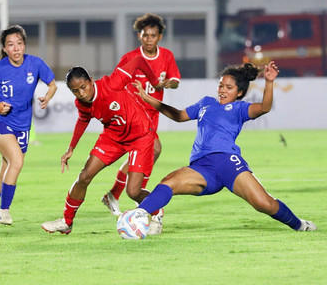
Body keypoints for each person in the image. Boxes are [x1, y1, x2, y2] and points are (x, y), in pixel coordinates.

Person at [133, 61, 317, 232]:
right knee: (168, 182)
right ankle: (138, 215)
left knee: (264, 204)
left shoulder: (239, 109)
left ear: (239, 93)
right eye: (221, 85)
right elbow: (179, 116)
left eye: (229, 88)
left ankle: (300, 225)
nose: (222, 90)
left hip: (228, 163)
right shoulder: (206, 103)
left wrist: (269, 83)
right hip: (201, 167)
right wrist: (147, 98)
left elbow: (264, 108)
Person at [41, 56, 170, 235]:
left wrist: (155, 82)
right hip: (113, 136)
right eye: (75, 91)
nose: (82, 94)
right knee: (84, 176)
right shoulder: (82, 103)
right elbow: (83, 120)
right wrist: (71, 148)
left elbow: (139, 61)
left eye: (83, 87)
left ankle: (157, 213)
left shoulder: (113, 83)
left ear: (91, 81)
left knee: (133, 191)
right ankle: (66, 221)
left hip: (140, 135)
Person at [0, 25, 57, 227]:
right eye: (11, 45)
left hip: (22, 126)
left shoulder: (35, 64)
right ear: (5, 49)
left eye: (19, 43)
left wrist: (47, 98)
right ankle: (4, 211)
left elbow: (52, 84)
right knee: (16, 162)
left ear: (24, 45)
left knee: (5, 175)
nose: (16, 48)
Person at [101, 13, 181, 217]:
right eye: (145, 35)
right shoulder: (130, 58)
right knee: (154, 150)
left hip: (152, 115)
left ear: (159, 37)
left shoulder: (166, 56)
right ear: (139, 36)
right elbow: (115, 83)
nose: (149, 39)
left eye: (153, 35)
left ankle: (114, 195)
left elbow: (175, 81)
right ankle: (140, 198)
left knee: (147, 155)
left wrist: (167, 84)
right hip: (132, 116)